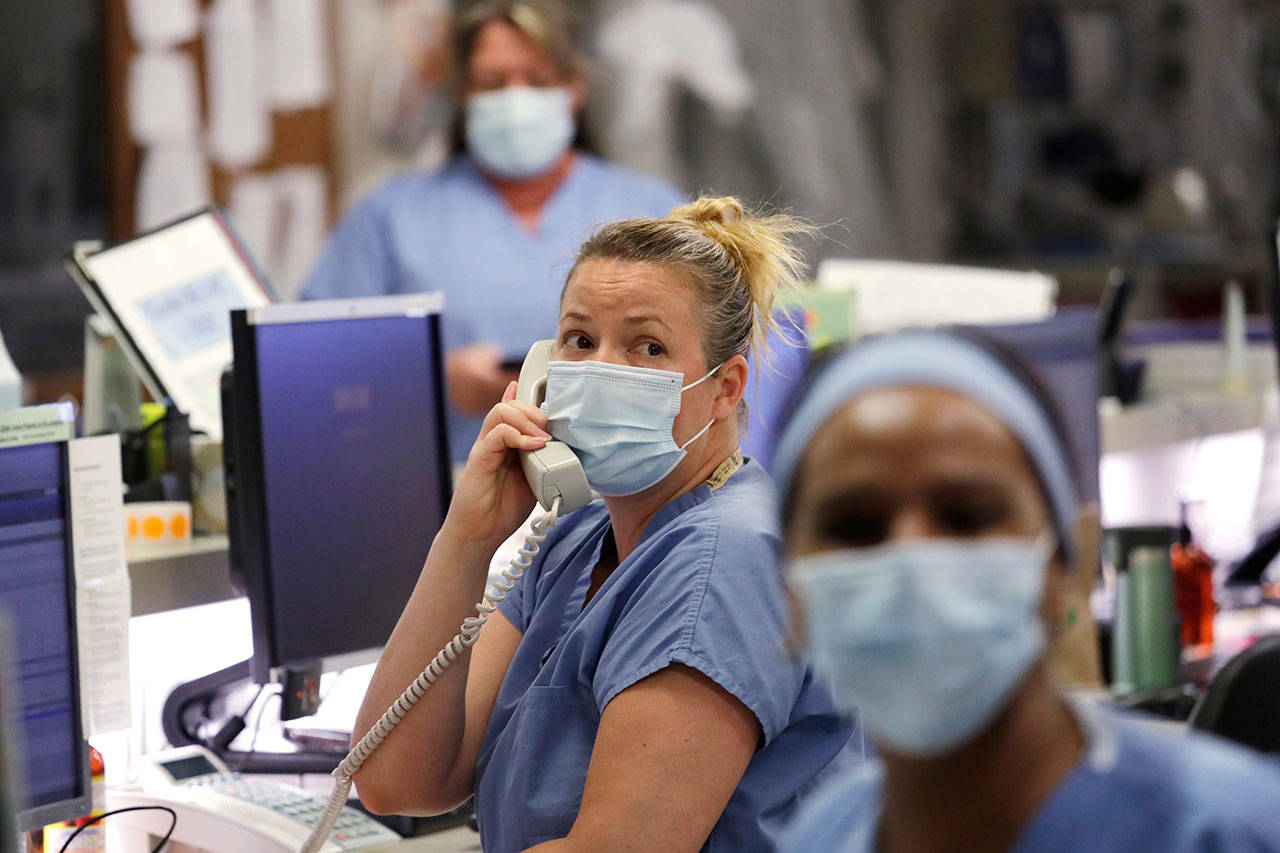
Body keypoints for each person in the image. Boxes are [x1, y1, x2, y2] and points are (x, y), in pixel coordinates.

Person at [351, 197, 858, 850]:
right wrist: (466, 539)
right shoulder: (577, 536)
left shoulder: (720, 564)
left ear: (727, 388)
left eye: (647, 346)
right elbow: (397, 780)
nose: (600, 370)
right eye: (580, 340)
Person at [772, 327, 1280, 852]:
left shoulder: (1233, 833)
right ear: (788, 588)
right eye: (855, 527)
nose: (912, 561)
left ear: (1061, 569)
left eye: (966, 518)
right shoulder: (825, 833)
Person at [303, 0, 684, 463]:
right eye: (492, 83)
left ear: (575, 87)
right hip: (447, 500)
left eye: (538, 80)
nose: (516, 99)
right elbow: (312, 370)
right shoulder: (390, 218)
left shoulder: (651, 212)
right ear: (462, 94)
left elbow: (710, 360)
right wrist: (429, 382)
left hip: (621, 500)